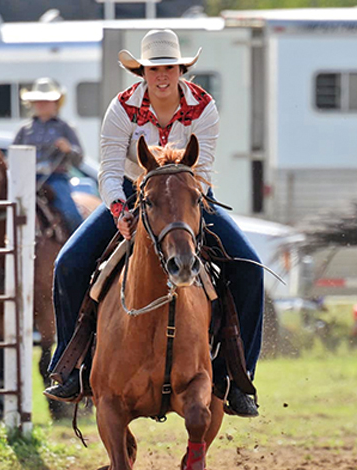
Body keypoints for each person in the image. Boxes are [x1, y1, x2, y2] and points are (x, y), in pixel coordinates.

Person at [43, 29, 263, 418]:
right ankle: (71, 364)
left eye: (169, 67)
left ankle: (237, 376)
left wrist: (185, 201)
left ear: (181, 69)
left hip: (186, 190)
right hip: (133, 191)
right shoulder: (123, 107)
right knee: (69, 263)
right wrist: (118, 211)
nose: (162, 75)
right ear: (142, 71)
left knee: (249, 268)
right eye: (154, 68)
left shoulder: (204, 107)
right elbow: (110, 169)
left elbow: (203, 166)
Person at [14, 78, 85, 235]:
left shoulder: (65, 128)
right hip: (27, 180)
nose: (41, 104)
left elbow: (79, 159)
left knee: (71, 213)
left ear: (56, 103)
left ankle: (79, 249)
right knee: (0, 209)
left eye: (46, 100)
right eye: (38, 101)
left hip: (56, 178)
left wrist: (68, 149)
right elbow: (12, 159)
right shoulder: (24, 130)